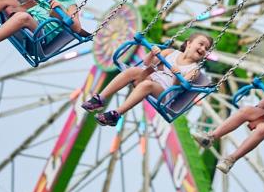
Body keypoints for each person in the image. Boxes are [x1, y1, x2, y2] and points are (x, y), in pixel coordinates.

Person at [82, 32, 214, 126]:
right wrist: (152, 53)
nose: (203, 49)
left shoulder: (194, 69)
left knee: (147, 85)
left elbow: (179, 86)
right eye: (201, 44)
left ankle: (116, 114)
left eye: (206, 48)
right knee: (133, 70)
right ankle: (100, 99)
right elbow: (147, 64)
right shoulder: (170, 52)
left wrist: (177, 75)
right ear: (189, 43)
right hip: (151, 76)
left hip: (165, 93)